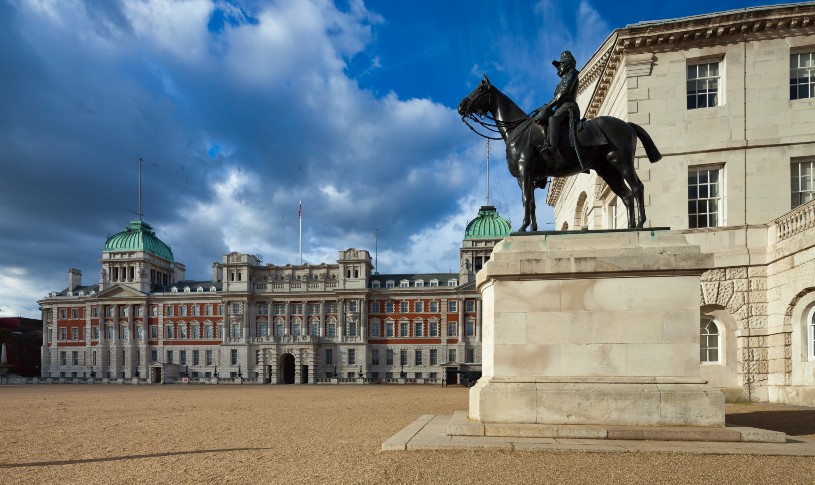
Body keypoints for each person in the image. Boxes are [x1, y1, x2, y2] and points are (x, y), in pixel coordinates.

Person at [533, 50, 587, 171]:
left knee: (553, 119)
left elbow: (564, 93)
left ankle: (552, 148)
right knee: (541, 119)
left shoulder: (572, 74)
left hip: (568, 106)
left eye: (560, 65)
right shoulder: (562, 80)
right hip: (561, 107)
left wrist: (548, 106)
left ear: (567, 64)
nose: (558, 68)